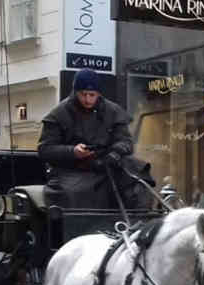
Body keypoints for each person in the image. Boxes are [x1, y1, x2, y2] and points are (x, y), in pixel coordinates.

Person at [37, 69, 150, 209]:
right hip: (72, 170)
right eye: (83, 94)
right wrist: (72, 151)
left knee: (137, 179)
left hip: (108, 164)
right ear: (75, 92)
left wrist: (114, 153)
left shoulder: (113, 111)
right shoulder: (58, 114)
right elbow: (45, 149)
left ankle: (140, 221)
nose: (87, 99)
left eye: (92, 95)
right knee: (72, 193)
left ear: (98, 93)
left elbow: (126, 141)